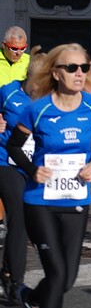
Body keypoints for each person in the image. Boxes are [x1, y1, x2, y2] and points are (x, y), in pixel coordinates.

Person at [7, 43, 91, 308]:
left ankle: (32, 299)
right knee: (57, 273)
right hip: (40, 201)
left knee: (67, 280)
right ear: (56, 73)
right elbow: (13, 146)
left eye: (84, 67)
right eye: (72, 68)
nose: (80, 73)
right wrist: (32, 169)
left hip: (77, 198)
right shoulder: (37, 109)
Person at [0, 46, 45, 303]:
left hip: (30, 166)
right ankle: (16, 282)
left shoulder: (48, 100)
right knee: (18, 214)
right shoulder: (8, 92)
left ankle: (7, 271)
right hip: (4, 162)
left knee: (24, 220)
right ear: (30, 78)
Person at [0, 26, 30, 258]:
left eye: (22, 48)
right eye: (14, 49)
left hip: (22, 136)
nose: (18, 53)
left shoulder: (32, 64)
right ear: (4, 45)